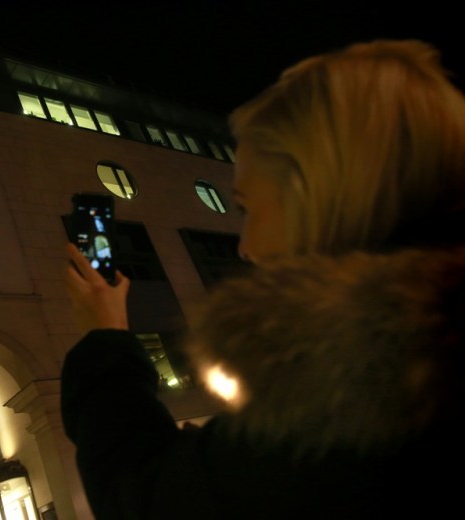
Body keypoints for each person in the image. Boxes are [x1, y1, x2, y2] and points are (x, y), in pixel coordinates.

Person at [61, 39, 464, 519]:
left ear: (317, 198)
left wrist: (104, 338)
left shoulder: (354, 393)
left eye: (247, 207)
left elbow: (143, 496)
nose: (245, 245)